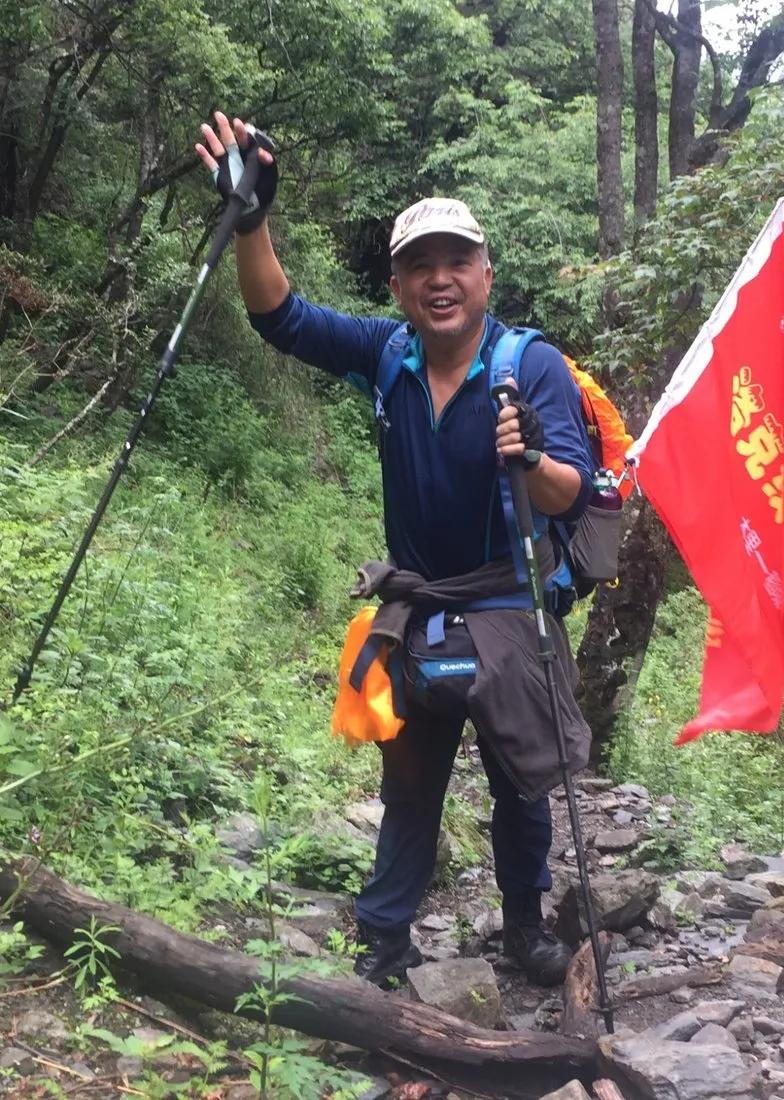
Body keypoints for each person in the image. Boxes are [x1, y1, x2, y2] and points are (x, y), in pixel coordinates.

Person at [196, 112, 594, 989]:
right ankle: (383, 937)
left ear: (486, 275)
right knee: (408, 783)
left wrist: (528, 457)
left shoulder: (531, 367)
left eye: (457, 262)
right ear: (399, 282)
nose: (440, 279)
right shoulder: (388, 354)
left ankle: (524, 925)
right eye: (421, 265)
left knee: (524, 784)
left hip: (506, 602)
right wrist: (252, 220)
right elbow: (280, 319)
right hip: (416, 606)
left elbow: (573, 492)